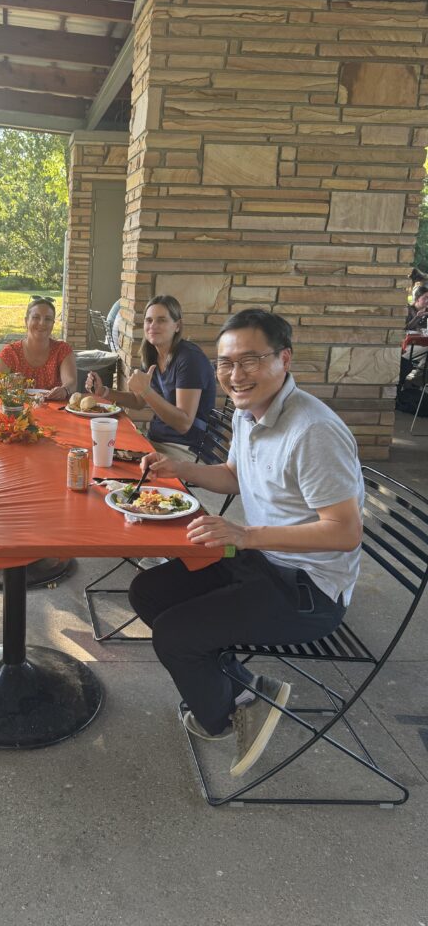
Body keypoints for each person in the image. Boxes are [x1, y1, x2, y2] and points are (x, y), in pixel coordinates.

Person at [128, 309, 364, 778]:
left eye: (250, 360)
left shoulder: (313, 431)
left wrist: (244, 534)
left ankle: (224, 717)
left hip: (308, 591)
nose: (236, 375)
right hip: (260, 561)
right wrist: (184, 471)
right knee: (147, 592)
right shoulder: (247, 411)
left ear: (285, 359)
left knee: (176, 634)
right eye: (226, 363)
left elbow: (344, 530)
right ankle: (241, 688)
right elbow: (235, 476)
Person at [86, 294, 216, 456]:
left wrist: (146, 391)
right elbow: (139, 401)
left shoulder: (190, 358)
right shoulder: (152, 355)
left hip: (187, 449)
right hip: (156, 441)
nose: (153, 325)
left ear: (177, 325)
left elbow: (184, 424)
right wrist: (104, 391)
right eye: (149, 320)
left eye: (161, 320)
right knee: (96, 449)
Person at [0, 295, 77, 401]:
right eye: (36, 317)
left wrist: (65, 390)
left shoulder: (62, 350)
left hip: (55, 413)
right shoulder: (10, 352)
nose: (42, 323)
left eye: (48, 319)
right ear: (26, 321)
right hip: (17, 414)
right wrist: (5, 383)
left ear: (53, 324)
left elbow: (71, 383)